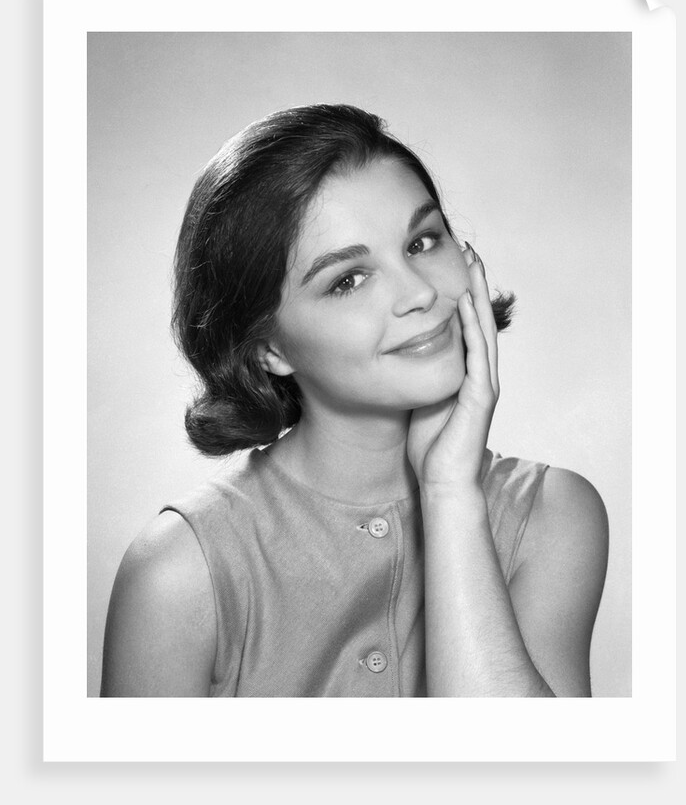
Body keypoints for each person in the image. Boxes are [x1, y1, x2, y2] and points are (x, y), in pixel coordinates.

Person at [100, 104, 609, 698]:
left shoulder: (552, 517)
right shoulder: (180, 574)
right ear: (269, 349)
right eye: (348, 279)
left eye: (423, 241)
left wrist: (449, 492)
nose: (419, 292)